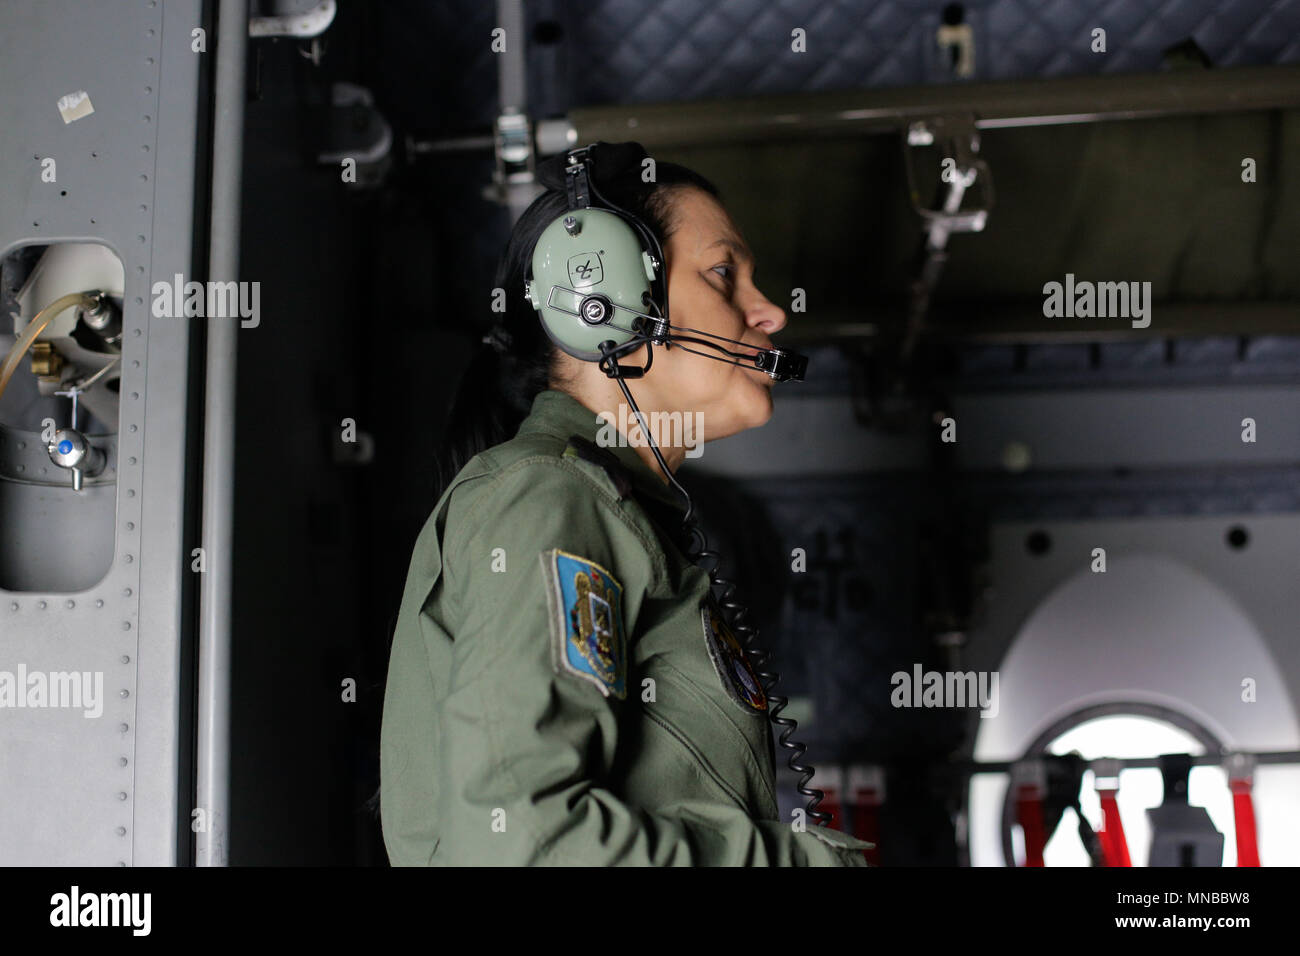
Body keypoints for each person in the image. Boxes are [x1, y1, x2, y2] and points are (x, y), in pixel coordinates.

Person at [379, 141, 870, 866]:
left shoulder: (616, 512)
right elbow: (525, 843)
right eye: (724, 274)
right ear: (601, 302)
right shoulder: (548, 495)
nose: (769, 315)